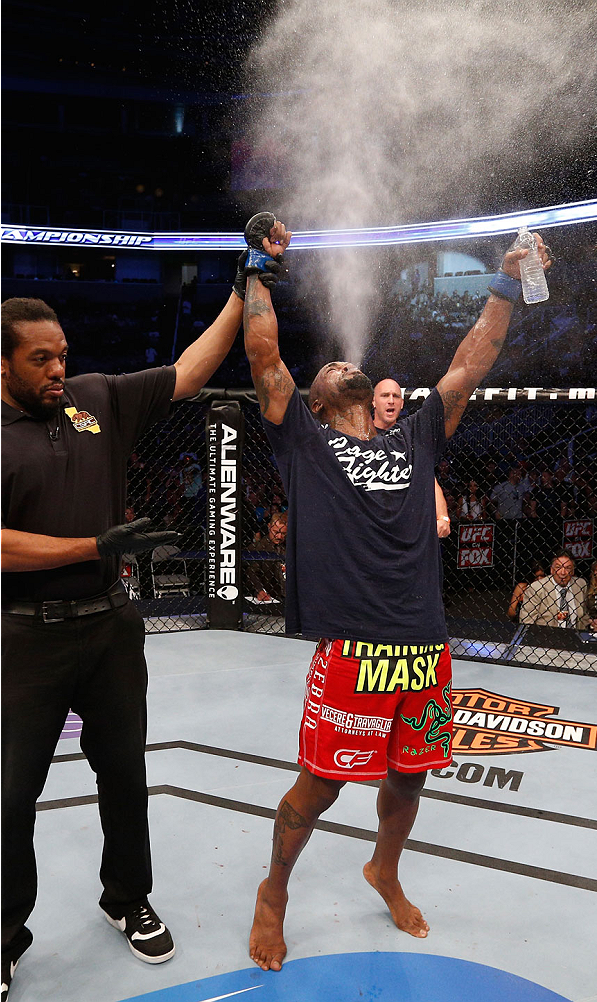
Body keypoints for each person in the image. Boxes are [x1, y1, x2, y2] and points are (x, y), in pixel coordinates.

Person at [242, 213, 552, 972]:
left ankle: (384, 869)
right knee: (317, 790)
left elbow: (471, 362)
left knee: (409, 780)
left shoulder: (414, 435)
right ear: (317, 403)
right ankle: (273, 893)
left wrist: (506, 279)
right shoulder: (304, 442)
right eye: (330, 373)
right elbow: (265, 357)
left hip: (424, 645)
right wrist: (258, 265)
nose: (343, 367)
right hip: (353, 648)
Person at [0, 240, 281, 997]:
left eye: (61, 355)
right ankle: (2, 932)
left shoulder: (95, 396)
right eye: (39, 361)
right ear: (2, 366)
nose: (57, 369)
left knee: (124, 773)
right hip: (22, 635)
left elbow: (190, 371)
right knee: (9, 791)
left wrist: (242, 282)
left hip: (112, 626)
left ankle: (127, 899)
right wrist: (90, 543)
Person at [372, 378, 450, 537]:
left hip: (407, 529)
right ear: (373, 402)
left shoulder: (411, 436)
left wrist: (443, 517)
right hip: (372, 529)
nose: (391, 401)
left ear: (402, 404)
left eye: (395, 396)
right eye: (385, 395)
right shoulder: (359, 436)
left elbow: (429, 479)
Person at [519, 549, 587, 629]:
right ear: (551, 570)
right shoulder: (536, 588)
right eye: (558, 567)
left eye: (567, 568)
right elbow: (526, 622)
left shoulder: (580, 584)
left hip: (574, 636)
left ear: (572, 571)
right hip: (546, 637)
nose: (563, 572)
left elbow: (584, 616)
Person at [243, 511, 288, 604]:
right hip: (270, 596)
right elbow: (252, 572)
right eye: (276, 532)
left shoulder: (290, 547)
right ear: (269, 526)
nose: (279, 536)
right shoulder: (258, 547)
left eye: (283, 533)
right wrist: (259, 590)